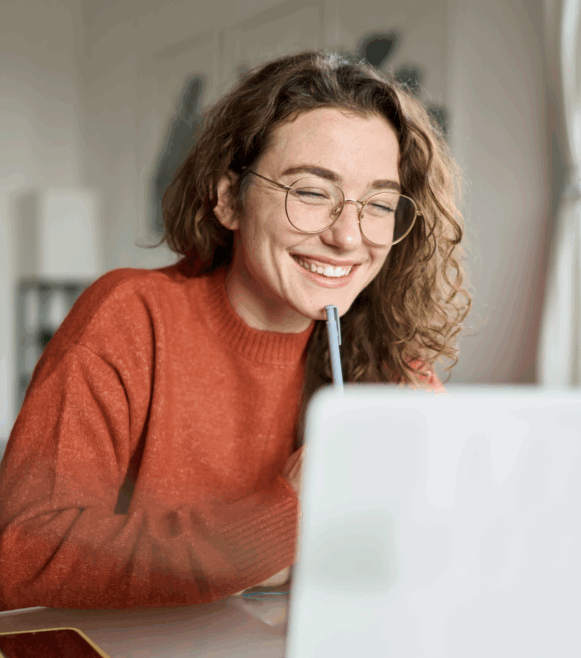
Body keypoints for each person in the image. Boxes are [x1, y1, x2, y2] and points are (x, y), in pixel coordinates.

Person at [0, 50, 471, 611]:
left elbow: (444, 551)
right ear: (229, 199)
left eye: (379, 202)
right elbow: (22, 557)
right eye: (312, 192)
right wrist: (285, 516)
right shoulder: (130, 317)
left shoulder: (386, 353)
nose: (349, 237)